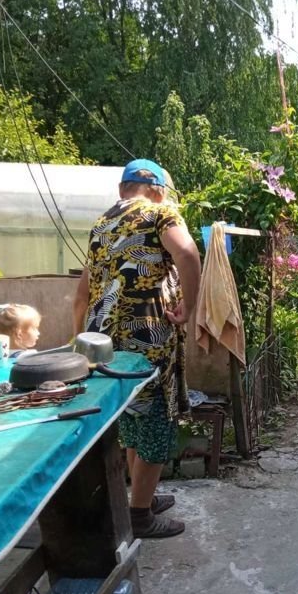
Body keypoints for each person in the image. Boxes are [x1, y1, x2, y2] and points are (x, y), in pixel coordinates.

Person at [73, 159, 201, 539]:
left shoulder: (101, 225)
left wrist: (78, 342)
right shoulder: (161, 214)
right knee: (155, 425)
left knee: (131, 420)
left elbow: (81, 295)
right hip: (146, 341)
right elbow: (188, 254)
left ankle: (141, 498)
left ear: (122, 189)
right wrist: (189, 307)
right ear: (159, 190)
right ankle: (140, 516)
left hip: (104, 347)